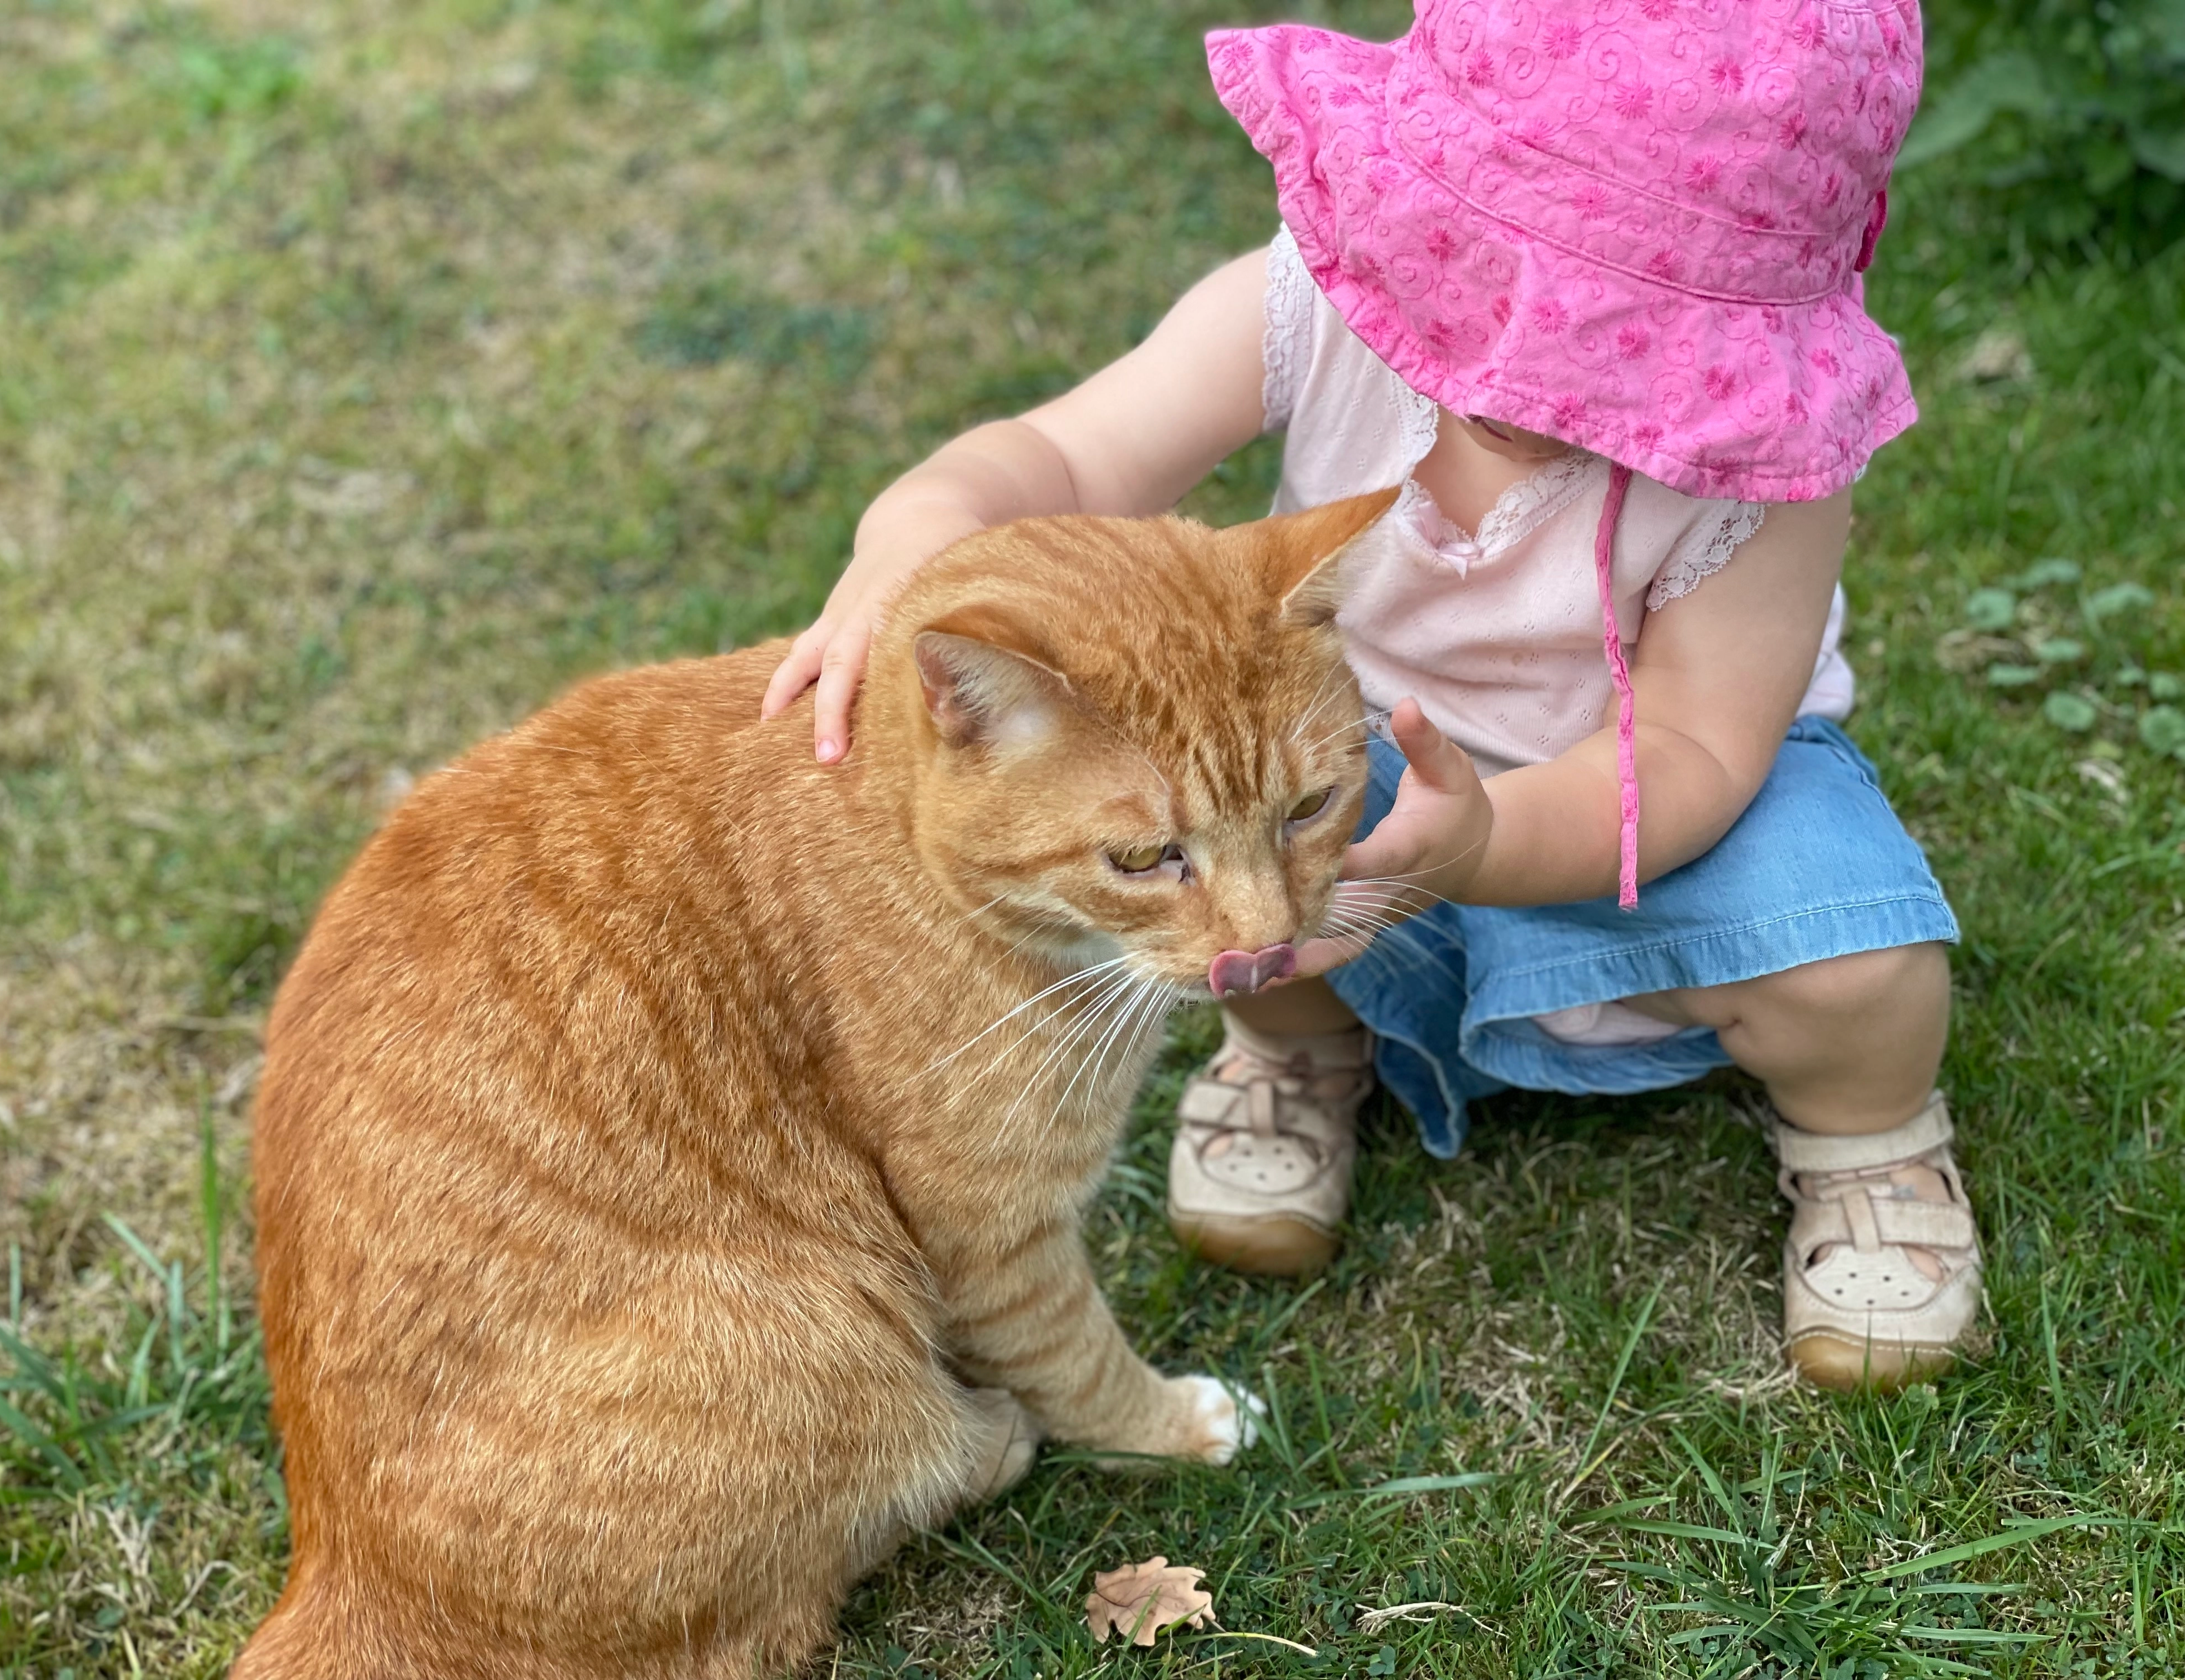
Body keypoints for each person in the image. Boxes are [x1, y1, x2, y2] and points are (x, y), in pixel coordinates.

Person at [762, 0, 1976, 1393]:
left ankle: (1868, 1139)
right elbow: (1062, 458)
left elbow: (1697, 747)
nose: (1520, 360)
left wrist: (1489, 848)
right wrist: (920, 528)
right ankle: (1297, 1049)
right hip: (1345, 763)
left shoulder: (1771, 459)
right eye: (1486, 286)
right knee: (1231, 862)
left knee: (1857, 966)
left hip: (1663, 802)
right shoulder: (1312, 302)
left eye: (1601, 345)